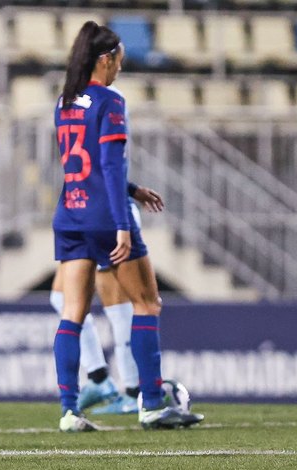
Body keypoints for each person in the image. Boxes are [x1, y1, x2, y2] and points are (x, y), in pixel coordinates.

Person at [51, 21, 203, 432]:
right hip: (105, 217)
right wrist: (122, 222)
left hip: (70, 214)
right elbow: (109, 165)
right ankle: (152, 403)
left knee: (73, 312)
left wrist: (134, 190)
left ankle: (69, 410)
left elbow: (79, 167)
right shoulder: (110, 102)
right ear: (105, 59)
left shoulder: (64, 101)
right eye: (118, 60)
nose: (120, 67)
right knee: (147, 303)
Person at [49, 185, 164, 415]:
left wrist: (129, 191)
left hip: (106, 209)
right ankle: (100, 378)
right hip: (83, 207)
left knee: (121, 304)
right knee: (61, 298)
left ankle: (133, 391)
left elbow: (107, 164)